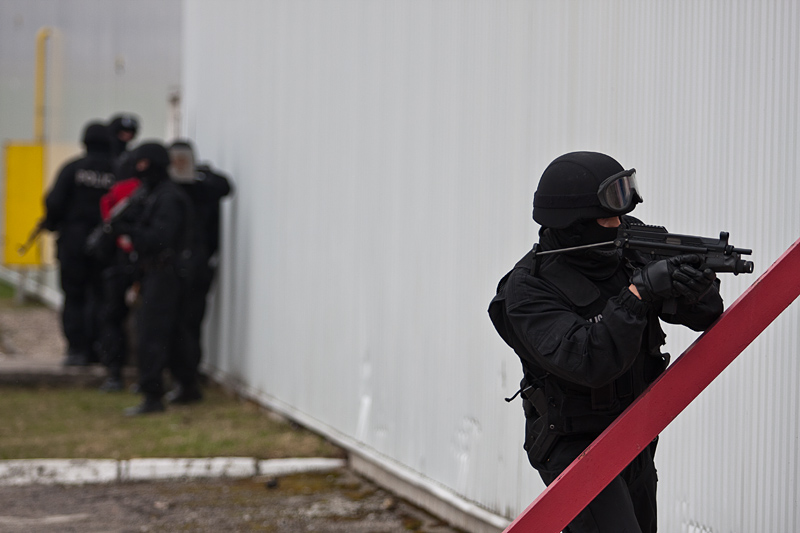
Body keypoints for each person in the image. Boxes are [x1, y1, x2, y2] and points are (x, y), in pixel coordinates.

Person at [488, 152, 724, 532]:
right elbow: (591, 362)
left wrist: (695, 290)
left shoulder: (626, 243)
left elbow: (705, 315)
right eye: (608, 217)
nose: (619, 225)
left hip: (633, 432)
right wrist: (639, 292)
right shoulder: (528, 290)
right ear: (574, 224)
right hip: (572, 444)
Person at [108, 141, 194, 415]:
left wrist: (128, 230)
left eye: (144, 163)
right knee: (171, 333)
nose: (140, 169)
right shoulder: (151, 193)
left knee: (151, 334)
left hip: (164, 273)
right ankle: (183, 385)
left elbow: (159, 240)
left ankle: (153, 395)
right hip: (158, 273)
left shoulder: (167, 197)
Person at [164, 140, 233, 404]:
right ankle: (181, 379)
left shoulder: (202, 185)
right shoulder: (170, 187)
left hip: (194, 266)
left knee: (186, 325)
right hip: (181, 265)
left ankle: (187, 381)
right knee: (178, 326)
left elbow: (224, 187)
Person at [43, 121, 117, 366]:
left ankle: (76, 350)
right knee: (101, 296)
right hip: (106, 244)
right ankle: (98, 348)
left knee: (74, 296)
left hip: (73, 243)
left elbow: (54, 203)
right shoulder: (117, 170)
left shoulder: (73, 169)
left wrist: (52, 223)